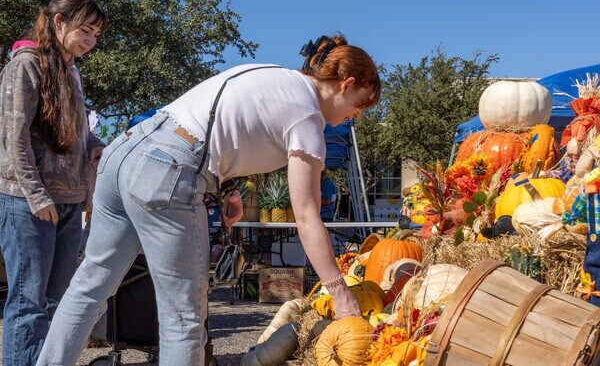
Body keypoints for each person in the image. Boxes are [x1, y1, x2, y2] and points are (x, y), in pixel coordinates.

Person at [37, 34, 381, 366]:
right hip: (167, 171)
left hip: (125, 151)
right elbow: (307, 217)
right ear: (346, 84)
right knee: (183, 317)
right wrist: (340, 293)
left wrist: (226, 186)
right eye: (360, 104)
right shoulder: (309, 119)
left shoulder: (273, 75)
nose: (357, 116)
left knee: (89, 288)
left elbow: (220, 121)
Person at [0, 0, 107, 366]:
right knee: (28, 302)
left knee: (56, 302)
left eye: (96, 35)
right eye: (86, 31)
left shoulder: (71, 71)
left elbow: (76, 131)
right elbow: (14, 138)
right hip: (29, 203)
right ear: (60, 22)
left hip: (69, 201)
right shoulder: (25, 65)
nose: (91, 41)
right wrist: (37, 196)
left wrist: (95, 144)